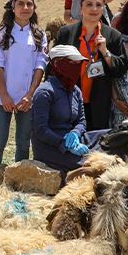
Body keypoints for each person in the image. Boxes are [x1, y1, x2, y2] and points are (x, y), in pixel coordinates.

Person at [0, 0, 47, 171]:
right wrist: (4, 95)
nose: (25, 7)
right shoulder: (1, 34)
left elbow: (40, 66)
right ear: (13, 7)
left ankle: (18, 183)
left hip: (26, 98)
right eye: (21, 3)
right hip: (1, 97)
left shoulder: (39, 35)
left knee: (23, 143)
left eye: (29, 4)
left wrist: (30, 94)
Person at [54, 0, 127, 131]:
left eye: (99, 5)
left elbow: (121, 69)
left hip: (100, 104)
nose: (94, 9)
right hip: (69, 101)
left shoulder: (113, 36)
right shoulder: (66, 33)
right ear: (81, 8)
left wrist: (105, 52)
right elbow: (53, 68)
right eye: (89, 4)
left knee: (95, 147)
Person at [30, 44, 91, 175]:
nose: (76, 67)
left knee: (108, 139)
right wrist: (63, 142)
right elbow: (41, 130)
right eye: (72, 63)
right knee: (90, 166)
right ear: (57, 64)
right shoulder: (45, 92)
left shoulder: (75, 91)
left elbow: (81, 121)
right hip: (51, 147)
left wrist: (75, 133)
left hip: (73, 140)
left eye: (78, 63)